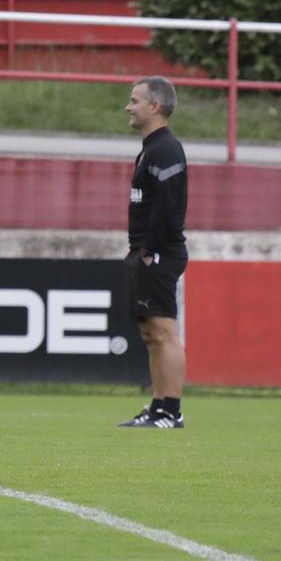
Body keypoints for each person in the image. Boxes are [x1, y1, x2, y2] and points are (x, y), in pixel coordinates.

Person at [118, 75, 189, 430]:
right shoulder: (151, 146)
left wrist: (148, 250)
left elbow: (169, 207)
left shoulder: (166, 148)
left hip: (158, 252)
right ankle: (158, 405)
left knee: (164, 331)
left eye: (134, 100)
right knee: (150, 334)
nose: (128, 107)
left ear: (155, 106)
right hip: (145, 251)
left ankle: (172, 411)